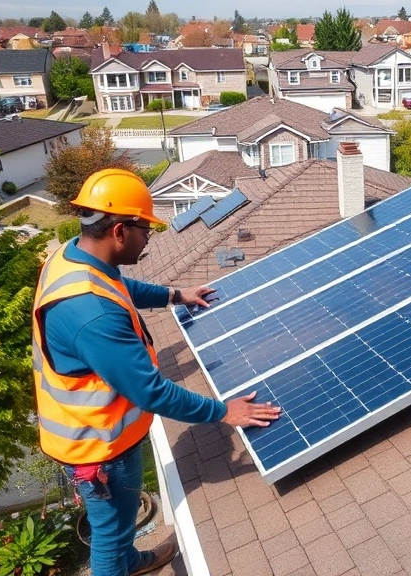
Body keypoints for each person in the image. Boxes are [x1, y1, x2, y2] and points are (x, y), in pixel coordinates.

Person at [31, 169, 281, 576]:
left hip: (99, 433)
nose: (149, 238)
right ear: (119, 231)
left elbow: (118, 287)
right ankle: (122, 564)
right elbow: (152, 392)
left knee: (120, 522)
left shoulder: (71, 258)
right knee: (109, 536)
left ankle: (132, 560)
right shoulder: (90, 313)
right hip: (99, 448)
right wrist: (224, 412)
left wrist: (175, 295)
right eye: (145, 229)